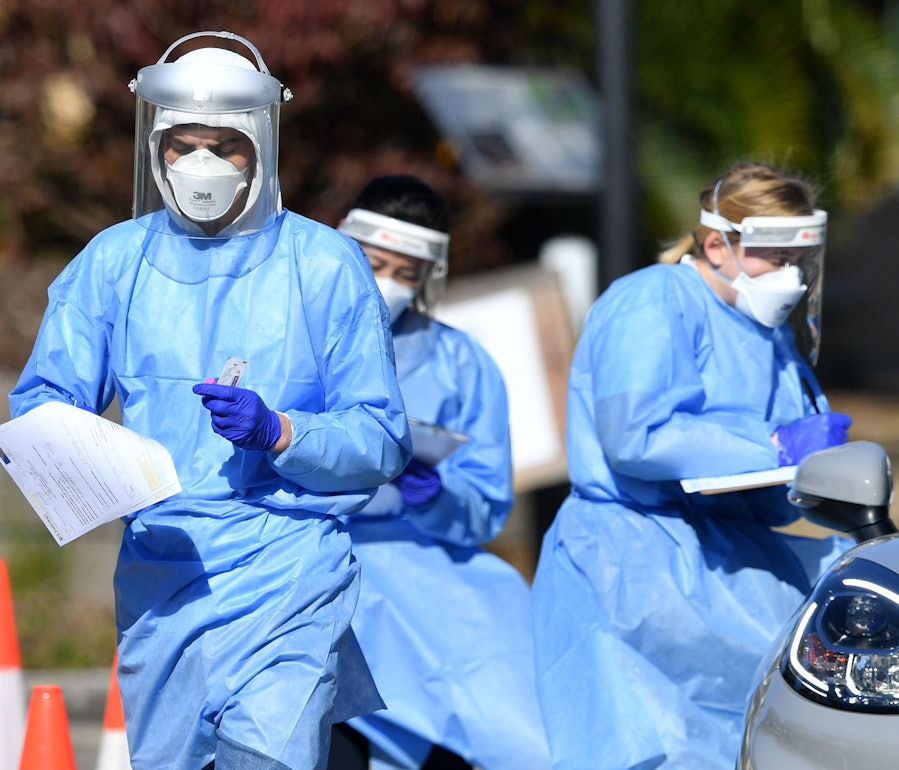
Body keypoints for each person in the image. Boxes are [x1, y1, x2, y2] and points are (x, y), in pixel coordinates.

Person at [9, 32, 412, 770]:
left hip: (288, 567)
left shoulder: (324, 264)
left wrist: (281, 431)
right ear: (154, 148)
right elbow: (46, 404)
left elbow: (380, 437)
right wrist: (95, 462)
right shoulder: (114, 261)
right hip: (165, 573)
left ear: (260, 147)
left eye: (224, 146)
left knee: (270, 756)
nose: (201, 165)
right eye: (182, 145)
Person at [531, 161, 854, 770]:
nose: (788, 276)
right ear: (715, 244)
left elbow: (768, 496)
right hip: (631, 563)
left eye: (796, 260)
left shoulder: (773, 339)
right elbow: (636, 437)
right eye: (774, 257)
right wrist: (773, 448)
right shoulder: (651, 300)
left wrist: (809, 469)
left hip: (730, 561)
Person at [326, 175, 551, 770]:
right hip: (308, 555)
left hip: (422, 571)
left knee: (499, 681)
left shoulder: (461, 363)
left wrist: (435, 494)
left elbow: (485, 505)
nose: (388, 284)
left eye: (407, 273)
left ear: (430, 276)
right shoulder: (290, 341)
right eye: (374, 264)